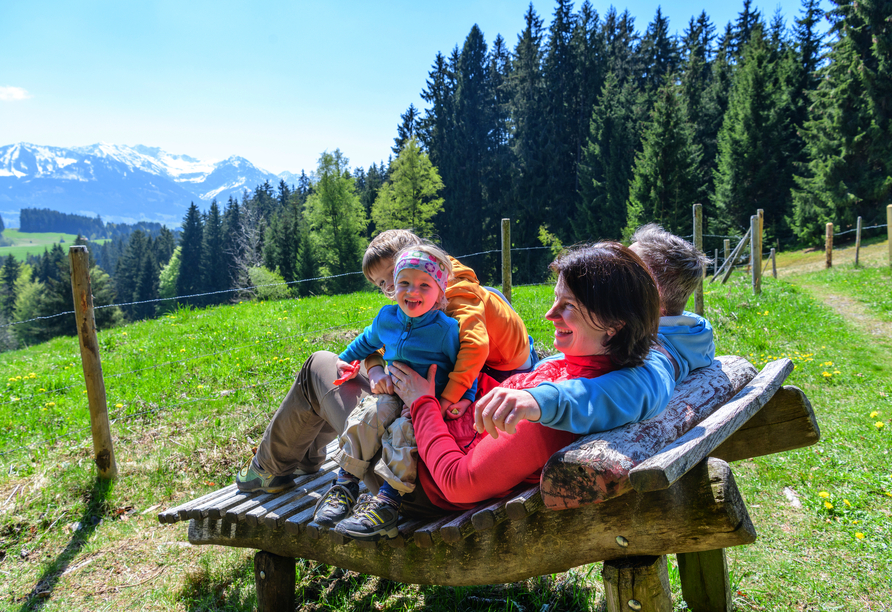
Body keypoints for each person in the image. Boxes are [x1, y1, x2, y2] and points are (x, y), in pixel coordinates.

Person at [235, 229, 534, 496]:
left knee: (319, 365)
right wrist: (375, 366)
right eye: (383, 284)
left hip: (408, 462)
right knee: (341, 372)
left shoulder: (455, 307)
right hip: (429, 435)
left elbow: (472, 351)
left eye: (394, 274)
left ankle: (268, 468)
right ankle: (303, 459)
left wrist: (439, 401)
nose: (393, 288)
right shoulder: (430, 294)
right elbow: (382, 339)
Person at [389, 242, 661, 509]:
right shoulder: (578, 368)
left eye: (569, 306)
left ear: (613, 325)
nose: (550, 313)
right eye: (556, 298)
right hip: (438, 434)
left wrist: (422, 402)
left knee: (351, 386)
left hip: (416, 481)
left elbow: (457, 482)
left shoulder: (546, 413)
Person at [474, 225, 715, 438]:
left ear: (647, 293)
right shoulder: (689, 330)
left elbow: (637, 390)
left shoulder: (657, 355)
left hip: (529, 389)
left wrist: (541, 400)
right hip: (542, 374)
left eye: (627, 269)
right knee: (491, 296)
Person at [312, 245, 477, 541]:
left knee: (404, 432)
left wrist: (463, 397)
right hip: (392, 391)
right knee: (367, 415)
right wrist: (345, 357)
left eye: (424, 285)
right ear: (393, 287)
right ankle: (345, 483)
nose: (412, 291)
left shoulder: (445, 329)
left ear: (439, 293)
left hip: (423, 402)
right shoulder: (387, 318)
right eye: (404, 283)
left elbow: (466, 365)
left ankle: (388, 502)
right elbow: (367, 340)